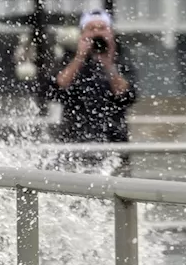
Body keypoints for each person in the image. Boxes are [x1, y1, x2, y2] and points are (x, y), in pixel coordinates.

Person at [53, 10, 138, 172]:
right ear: (81, 34)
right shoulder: (69, 58)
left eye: (102, 28)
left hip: (113, 141)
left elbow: (126, 94)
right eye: (91, 29)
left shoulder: (122, 59)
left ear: (111, 32)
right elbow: (58, 87)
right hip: (75, 141)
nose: (97, 33)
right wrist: (79, 57)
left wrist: (109, 64)